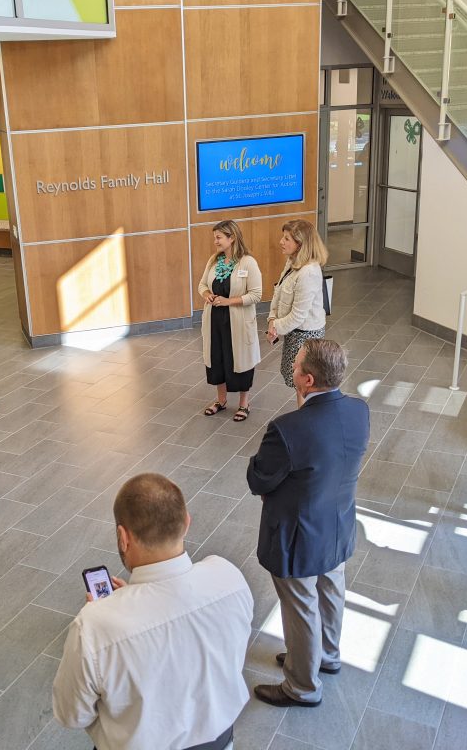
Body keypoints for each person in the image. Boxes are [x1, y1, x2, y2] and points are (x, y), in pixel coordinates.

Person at [52, 473, 253, 750]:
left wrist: (112, 609)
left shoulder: (95, 626)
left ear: (123, 538)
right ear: (187, 523)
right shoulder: (229, 577)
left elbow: (72, 714)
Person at [247, 339, 369, 708]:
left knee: (300, 606)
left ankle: (302, 685)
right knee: (331, 590)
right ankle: (325, 655)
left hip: (299, 536)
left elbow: (258, 478)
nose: (293, 371)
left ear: (308, 380)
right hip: (338, 524)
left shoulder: (288, 428)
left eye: (296, 367)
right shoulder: (358, 410)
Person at [198, 219, 263, 422]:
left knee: (240, 360)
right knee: (217, 358)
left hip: (237, 321)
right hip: (215, 321)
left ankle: (244, 403)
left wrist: (228, 301)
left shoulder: (248, 262)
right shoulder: (214, 260)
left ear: (231, 237)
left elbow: (256, 294)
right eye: (215, 237)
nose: (215, 241)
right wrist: (207, 294)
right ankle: (221, 400)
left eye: (219, 237)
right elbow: (201, 284)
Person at [266, 219, 329, 388]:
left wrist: (275, 327)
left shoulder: (308, 272)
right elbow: (278, 292)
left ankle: (306, 414)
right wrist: (272, 320)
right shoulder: (292, 261)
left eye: (287, 239)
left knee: (303, 383)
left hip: (305, 335)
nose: (281, 242)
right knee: (295, 380)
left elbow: (298, 315)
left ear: (300, 244)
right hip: (293, 332)